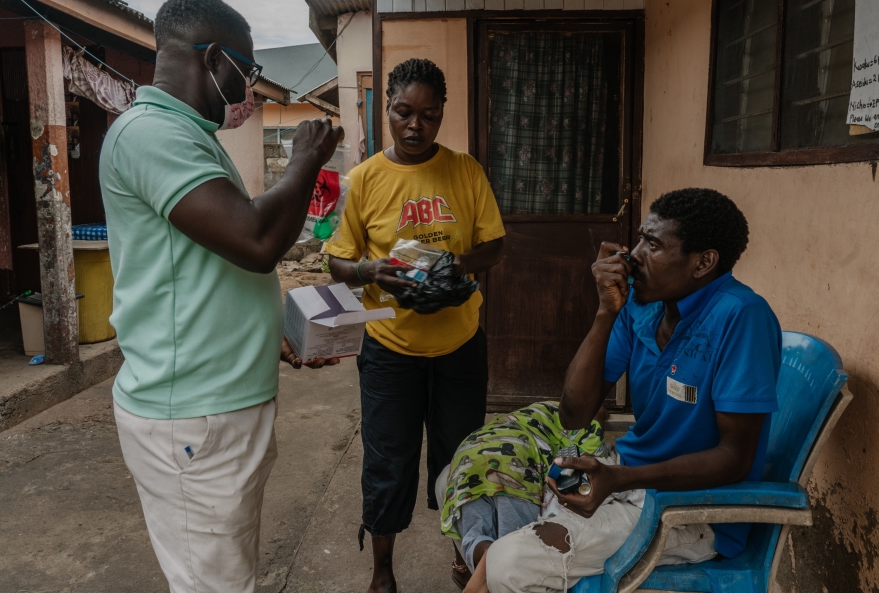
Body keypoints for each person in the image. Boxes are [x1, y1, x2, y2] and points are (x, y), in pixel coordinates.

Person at [99, 0, 343, 593]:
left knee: (229, 574)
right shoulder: (150, 134)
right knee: (216, 586)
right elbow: (256, 239)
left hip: (220, 404)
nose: (250, 87)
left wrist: (269, 340)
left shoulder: (187, 134)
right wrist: (303, 163)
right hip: (192, 416)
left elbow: (214, 267)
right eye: (247, 69)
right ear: (211, 57)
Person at [467, 188, 781, 593]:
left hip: (689, 510)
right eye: (639, 240)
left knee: (507, 560)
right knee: (474, 483)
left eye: (652, 245)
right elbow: (574, 414)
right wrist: (605, 312)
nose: (632, 256)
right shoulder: (643, 306)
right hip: (627, 480)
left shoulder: (742, 317)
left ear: (704, 262)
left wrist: (622, 478)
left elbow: (735, 459)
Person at [325, 58, 506, 593]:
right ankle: (383, 569)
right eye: (404, 111)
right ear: (387, 106)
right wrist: (370, 270)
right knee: (388, 458)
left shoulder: (465, 170)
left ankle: (464, 554)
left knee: (462, 456)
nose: (415, 125)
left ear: (441, 114)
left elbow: (494, 244)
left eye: (428, 115)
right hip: (389, 347)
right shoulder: (363, 180)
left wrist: (456, 268)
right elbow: (336, 261)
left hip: (460, 344)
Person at [436, 403, 610, 588]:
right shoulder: (589, 427)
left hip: (466, 460)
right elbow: (594, 465)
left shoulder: (535, 410)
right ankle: (494, 558)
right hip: (513, 464)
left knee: (475, 533)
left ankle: (486, 552)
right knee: (515, 553)